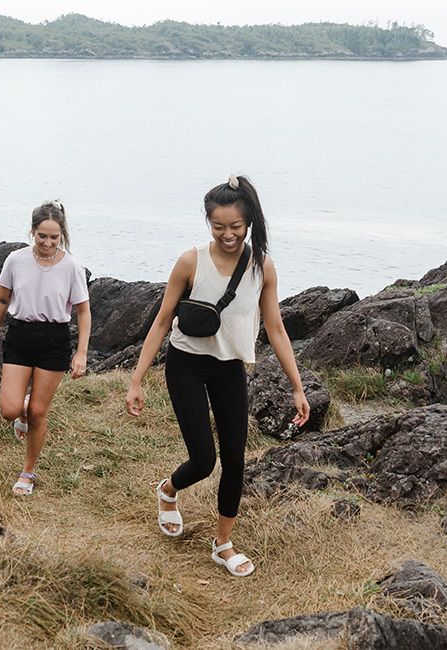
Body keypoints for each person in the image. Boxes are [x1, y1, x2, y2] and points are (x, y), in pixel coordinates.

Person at [125, 175, 309, 577]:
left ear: (250, 224)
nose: (227, 234)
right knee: (204, 460)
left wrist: (297, 387)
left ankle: (222, 543)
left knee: (235, 460)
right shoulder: (191, 262)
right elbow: (160, 323)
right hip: (186, 363)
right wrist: (137, 380)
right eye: (218, 226)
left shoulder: (262, 268)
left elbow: (276, 328)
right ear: (208, 222)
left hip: (230, 367)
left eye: (236, 227)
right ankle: (168, 490)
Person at [0, 201, 91, 496]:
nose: (47, 243)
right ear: (32, 231)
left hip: (54, 341)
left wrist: (80, 353)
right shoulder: (15, 260)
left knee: (38, 413)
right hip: (20, 336)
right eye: (42, 236)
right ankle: (21, 413)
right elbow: (2, 302)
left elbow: (83, 312)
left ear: (62, 235)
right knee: (9, 410)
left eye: (54, 237)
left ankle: (28, 472)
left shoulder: (72, 267)